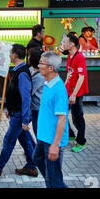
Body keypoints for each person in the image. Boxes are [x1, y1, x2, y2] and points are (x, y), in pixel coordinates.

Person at [0, 44, 37, 178]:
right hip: (15, 113)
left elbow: (26, 98)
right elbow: (15, 94)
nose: (9, 55)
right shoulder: (19, 70)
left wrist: (24, 119)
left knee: (8, 141)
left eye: (11, 53)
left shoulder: (22, 73)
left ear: (15, 55)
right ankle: (32, 166)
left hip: (19, 116)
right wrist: (9, 109)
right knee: (25, 140)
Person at [33, 51, 69, 188]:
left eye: (41, 62)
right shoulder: (48, 84)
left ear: (51, 68)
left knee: (53, 178)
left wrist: (56, 144)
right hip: (43, 136)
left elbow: (62, 119)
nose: (38, 65)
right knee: (37, 158)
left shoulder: (59, 89)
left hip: (52, 140)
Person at [62, 34, 89, 153]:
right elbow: (69, 74)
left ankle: (81, 141)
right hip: (69, 90)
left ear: (72, 44)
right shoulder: (69, 56)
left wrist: (74, 94)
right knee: (63, 112)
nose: (62, 43)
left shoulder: (80, 57)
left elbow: (81, 77)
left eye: (64, 41)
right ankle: (71, 134)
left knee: (77, 117)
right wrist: (64, 87)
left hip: (76, 92)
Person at [28, 47, 45, 137]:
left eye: (29, 56)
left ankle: (39, 150)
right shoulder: (31, 69)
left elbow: (29, 91)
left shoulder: (40, 76)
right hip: (33, 106)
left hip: (38, 107)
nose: (28, 57)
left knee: (38, 131)